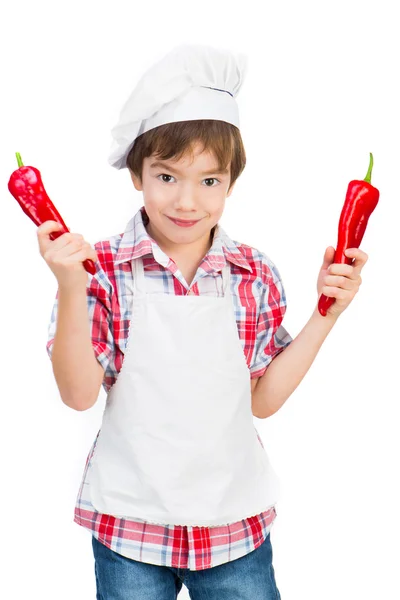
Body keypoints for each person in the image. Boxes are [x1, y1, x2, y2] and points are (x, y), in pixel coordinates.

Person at [38, 43, 368, 600]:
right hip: (131, 527)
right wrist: (71, 288)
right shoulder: (101, 269)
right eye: (167, 177)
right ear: (137, 176)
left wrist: (326, 313)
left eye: (209, 181)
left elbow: (261, 399)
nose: (187, 201)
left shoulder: (253, 273)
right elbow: (77, 394)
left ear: (232, 182)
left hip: (233, 527)